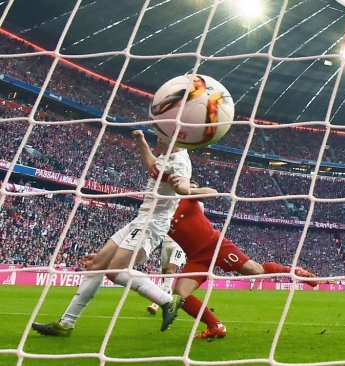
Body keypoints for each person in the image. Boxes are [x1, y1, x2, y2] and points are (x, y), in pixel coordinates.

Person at [32, 130, 192, 336]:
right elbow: (153, 167)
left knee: (115, 271)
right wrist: (141, 142)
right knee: (96, 265)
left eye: (162, 136)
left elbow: (185, 185)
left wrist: (183, 187)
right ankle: (66, 324)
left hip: (154, 223)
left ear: (175, 138)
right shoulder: (165, 155)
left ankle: (167, 300)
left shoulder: (181, 161)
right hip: (140, 219)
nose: (159, 139)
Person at [161, 178, 318, 339]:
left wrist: (190, 190)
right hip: (196, 258)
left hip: (215, 245)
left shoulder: (185, 199)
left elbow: (214, 193)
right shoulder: (159, 216)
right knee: (180, 294)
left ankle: (295, 271)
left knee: (255, 270)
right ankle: (216, 326)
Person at [146, 235, 187, 315]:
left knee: (170, 270)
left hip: (179, 244)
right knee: (164, 274)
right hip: (165, 243)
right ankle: (169, 295)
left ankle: (155, 304)